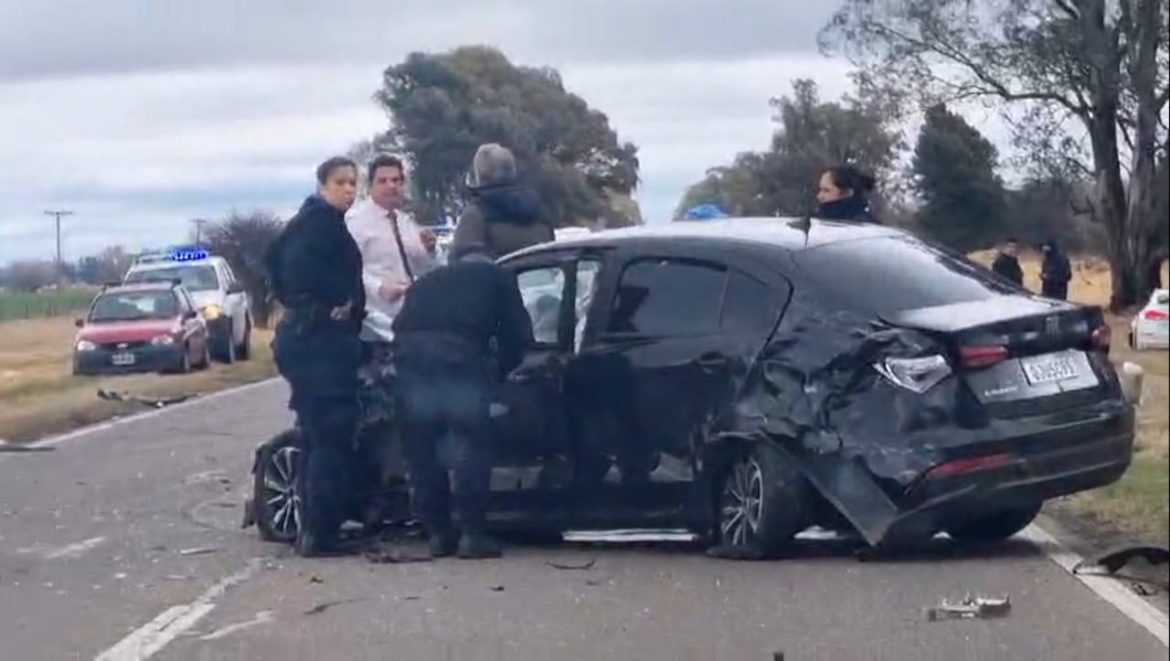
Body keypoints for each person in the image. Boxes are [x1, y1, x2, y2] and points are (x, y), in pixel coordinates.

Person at [390, 241, 534, 559]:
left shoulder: (428, 281)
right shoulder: (498, 277)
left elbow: (399, 326)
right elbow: (519, 336)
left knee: (423, 450)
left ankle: (439, 534)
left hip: (409, 362)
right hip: (458, 360)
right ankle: (472, 534)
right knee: (470, 444)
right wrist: (497, 375)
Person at [265, 156, 366, 557]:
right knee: (330, 434)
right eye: (341, 182)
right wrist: (333, 306)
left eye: (353, 183)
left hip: (303, 337)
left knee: (316, 433)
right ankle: (320, 533)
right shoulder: (320, 228)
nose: (349, 190)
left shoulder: (307, 224)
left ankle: (314, 526)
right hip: (317, 341)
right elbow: (333, 280)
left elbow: (271, 259)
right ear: (323, 185)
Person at [347, 154, 436, 351]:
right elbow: (346, 271)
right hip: (376, 323)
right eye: (383, 181)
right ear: (370, 186)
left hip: (412, 317)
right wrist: (379, 287)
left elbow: (424, 269)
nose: (391, 186)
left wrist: (429, 250)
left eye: (396, 180)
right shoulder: (356, 223)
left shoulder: (405, 222)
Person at [451, 143, 554, 260]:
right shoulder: (540, 211)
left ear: (480, 176)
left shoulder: (475, 216)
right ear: (513, 171)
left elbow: (461, 267)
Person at [815, 165, 879, 223]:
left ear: (847, 193)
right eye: (820, 190)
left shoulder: (863, 226)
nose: (819, 196)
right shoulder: (818, 221)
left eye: (826, 190)